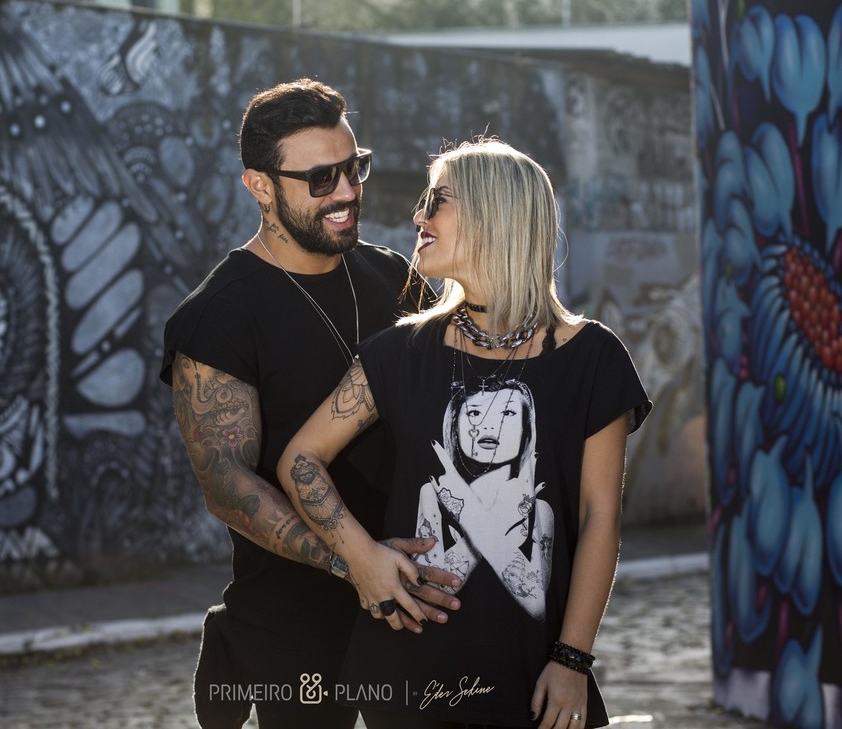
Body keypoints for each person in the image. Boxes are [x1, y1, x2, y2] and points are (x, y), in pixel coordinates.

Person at [277, 138, 652, 729]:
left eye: (437, 201)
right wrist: (362, 559)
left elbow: (600, 515)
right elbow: (300, 459)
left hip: (535, 680)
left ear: (491, 212)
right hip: (405, 680)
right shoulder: (400, 352)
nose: (418, 215)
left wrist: (572, 659)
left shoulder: (592, 358)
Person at [160, 78, 461, 729]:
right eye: (321, 178)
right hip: (292, 627)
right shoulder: (219, 315)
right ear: (260, 186)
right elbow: (226, 485)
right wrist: (355, 562)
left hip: (415, 602)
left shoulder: (396, 278)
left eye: (355, 167)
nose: (347, 191)